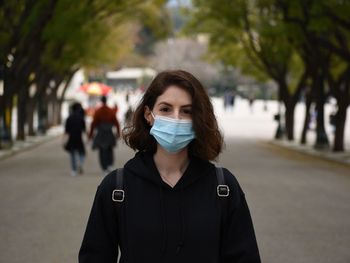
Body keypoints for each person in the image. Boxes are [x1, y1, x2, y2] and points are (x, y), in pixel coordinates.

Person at [79, 70, 261, 262]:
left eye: (187, 111)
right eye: (166, 109)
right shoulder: (117, 188)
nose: (176, 118)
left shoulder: (223, 188)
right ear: (149, 115)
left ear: (198, 118)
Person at [89, 96, 121, 174]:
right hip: (109, 133)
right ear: (106, 101)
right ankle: (109, 165)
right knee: (109, 149)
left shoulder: (98, 111)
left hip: (100, 133)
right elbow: (116, 123)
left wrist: (90, 134)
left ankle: (104, 167)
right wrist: (118, 133)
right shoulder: (110, 111)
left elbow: (93, 124)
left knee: (101, 150)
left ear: (101, 101)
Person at [63, 102, 86, 176]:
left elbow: (66, 131)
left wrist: (63, 140)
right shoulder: (81, 117)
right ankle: (80, 163)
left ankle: (74, 170)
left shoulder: (69, 118)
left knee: (72, 155)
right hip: (79, 138)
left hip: (71, 138)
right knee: (82, 153)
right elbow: (84, 130)